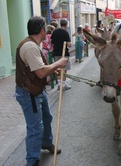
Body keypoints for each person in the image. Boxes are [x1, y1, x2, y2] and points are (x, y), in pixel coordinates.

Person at [15, 16, 68, 166]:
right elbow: (40, 72)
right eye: (45, 28)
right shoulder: (30, 46)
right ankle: (32, 161)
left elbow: (38, 69)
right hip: (29, 93)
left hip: (37, 90)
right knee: (35, 128)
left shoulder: (33, 44)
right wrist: (58, 63)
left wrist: (53, 70)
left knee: (47, 118)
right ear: (42, 30)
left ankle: (46, 143)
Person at [51, 18, 72, 91]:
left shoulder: (55, 32)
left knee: (58, 68)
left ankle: (60, 84)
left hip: (56, 53)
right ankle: (63, 84)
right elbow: (69, 44)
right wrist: (70, 44)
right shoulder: (65, 32)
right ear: (66, 24)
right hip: (64, 53)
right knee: (64, 69)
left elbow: (52, 42)